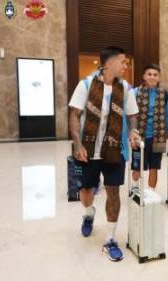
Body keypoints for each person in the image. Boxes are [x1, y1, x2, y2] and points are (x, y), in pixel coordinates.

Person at [68, 46, 140, 261]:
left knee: (113, 192)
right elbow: (74, 115)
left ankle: (110, 239)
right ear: (109, 64)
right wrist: (78, 144)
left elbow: (132, 114)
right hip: (88, 150)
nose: (126, 66)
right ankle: (89, 214)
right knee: (86, 192)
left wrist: (134, 130)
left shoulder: (125, 88)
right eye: (123, 62)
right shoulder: (86, 85)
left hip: (114, 149)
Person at [129, 64, 168, 196]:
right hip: (139, 136)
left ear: (159, 77)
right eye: (149, 74)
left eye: (155, 75)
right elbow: (130, 115)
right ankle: (134, 188)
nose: (152, 77)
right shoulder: (135, 92)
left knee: (154, 167)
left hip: (158, 136)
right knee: (137, 166)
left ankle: (151, 193)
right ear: (144, 76)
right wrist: (130, 134)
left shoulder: (164, 94)